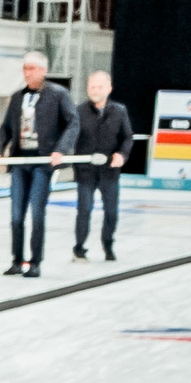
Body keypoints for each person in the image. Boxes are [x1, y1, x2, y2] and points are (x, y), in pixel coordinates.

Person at [0, 50, 76, 278]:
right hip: (20, 161)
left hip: (42, 161)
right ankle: (17, 260)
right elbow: (7, 126)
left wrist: (60, 149)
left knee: (37, 213)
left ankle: (35, 261)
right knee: (16, 215)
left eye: (32, 69)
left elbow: (72, 123)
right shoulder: (18, 96)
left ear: (43, 71)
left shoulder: (58, 94)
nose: (27, 73)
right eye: (25, 68)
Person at [70, 70, 131, 261]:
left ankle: (108, 244)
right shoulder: (78, 111)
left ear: (109, 88)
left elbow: (127, 137)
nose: (95, 90)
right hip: (85, 172)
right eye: (92, 87)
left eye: (99, 86)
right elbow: (70, 136)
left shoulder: (119, 111)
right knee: (84, 210)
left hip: (109, 172)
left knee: (111, 211)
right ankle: (79, 247)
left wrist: (121, 155)